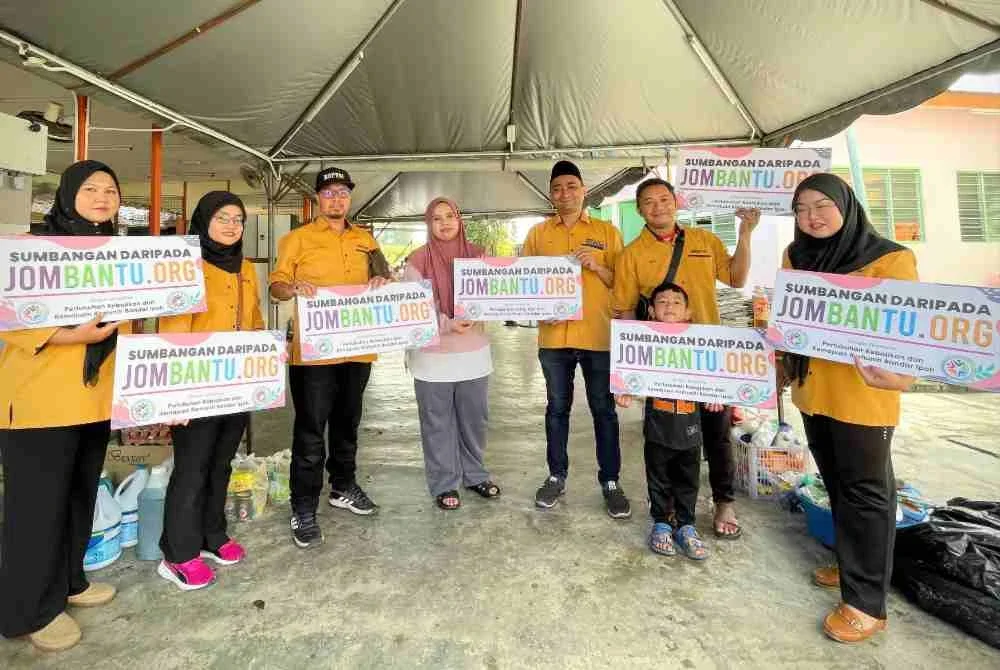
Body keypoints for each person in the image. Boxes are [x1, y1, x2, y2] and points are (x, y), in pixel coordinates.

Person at [779, 173, 917, 644]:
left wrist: (902, 375)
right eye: (801, 210)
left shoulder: (890, 259)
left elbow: (909, 333)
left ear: (846, 205)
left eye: (821, 206)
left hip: (864, 396)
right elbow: (788, 321)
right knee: (837, 485)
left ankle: (867, 605)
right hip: (813, 392)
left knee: (868, 494)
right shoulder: (795, 257)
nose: (811, 218)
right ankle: (851, 565)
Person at [0, 160, 128, 652]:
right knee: (36, 509)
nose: (102, 197)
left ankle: (70, 581)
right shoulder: (32, 251)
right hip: (40, 402)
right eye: (91, 188)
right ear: (68, 195)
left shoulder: (117, 255)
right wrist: (70, 334)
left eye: (110, 190)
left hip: (93, 398)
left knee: (79, 495)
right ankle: (31, 609)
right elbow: (9, 315)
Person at [611, 178, 759, 539]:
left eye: (664, 199)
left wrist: (745, 232)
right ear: (639, 210)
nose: (657, 207)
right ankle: (671, 505)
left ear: (676, 202)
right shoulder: (631, 254)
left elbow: (737, 278)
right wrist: (630, 372)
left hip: (709, 353)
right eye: (648, 202)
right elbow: (625, 312)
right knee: (666, 438)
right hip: (663, 359)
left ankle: (724, 500)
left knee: (717, 431)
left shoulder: (703, 240)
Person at [269, 167, 391, 548]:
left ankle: (343, 486)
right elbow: (275, 288)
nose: (336, 199)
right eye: (329, 192)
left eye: (342, 192)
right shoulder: (297, 239)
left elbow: (384, 274)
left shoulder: (366, 239)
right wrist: (292, 287)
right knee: (310, 431)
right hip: (313, 355)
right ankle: (303, 506)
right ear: (318, 198)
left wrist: (381, 280)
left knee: (348, 423)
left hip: (357, 349)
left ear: (349, 197)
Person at [155, 192, 265, 590]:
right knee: (192, 467)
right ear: (203, 220)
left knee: (221, 462)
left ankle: (211, 535)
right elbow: (173, 331)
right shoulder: (186, 266)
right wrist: (174, 394)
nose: (232, 226)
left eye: (238, 219)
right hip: (194, 384)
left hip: (234, 383)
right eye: (223, 218)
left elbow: (254, 322)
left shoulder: (246, 268)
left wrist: (260, 369)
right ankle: (178, 552)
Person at [523, 160, 629, 518]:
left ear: (584, 190)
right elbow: (526, 284)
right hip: (554, 338)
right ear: (550, 195)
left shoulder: (607, 231)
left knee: (604, 410)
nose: (564, 194)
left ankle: (611, 481)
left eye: (571, 186)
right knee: (556, 409)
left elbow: (623, 283)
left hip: (598, 336)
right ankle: (556, 475)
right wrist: (540, 308)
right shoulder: (538, 235)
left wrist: (597, 266)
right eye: (557, 189)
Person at [403, 197, 500, 510]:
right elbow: (413, 311)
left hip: (473, 355)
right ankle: (445, 483)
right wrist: (447, 323)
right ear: (428, 224)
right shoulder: (416, 261)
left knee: (474, 420)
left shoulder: (479, 257)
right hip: (432, 358)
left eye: (450, 216)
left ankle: (475, 475)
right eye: (436, 218)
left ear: (460, 220)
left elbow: (497, 294)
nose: (445, 223)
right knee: (437, 423)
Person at [614, 282, 721, 559]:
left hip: (690, 425)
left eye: (676, 302)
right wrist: (624, 389)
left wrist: (717, 394)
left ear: (688, 312)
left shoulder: (700, 343)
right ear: (651, 311)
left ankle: (686, 526)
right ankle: (661, 523)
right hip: (658, 425)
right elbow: (630, 372)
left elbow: (715, 376)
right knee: (658, 476)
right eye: (662, 302)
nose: (669, 306)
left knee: (689, 479)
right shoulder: (643, 341)